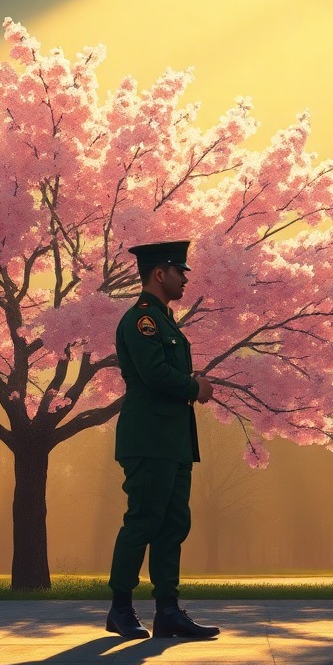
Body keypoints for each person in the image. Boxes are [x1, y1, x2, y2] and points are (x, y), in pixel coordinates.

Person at [105, 240, 219, 640]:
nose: (184, 279)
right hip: (149, 437)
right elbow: (153, 373)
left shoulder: (165, 320)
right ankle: (121, 609)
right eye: (178, 271)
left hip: (172, 440)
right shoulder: (143, 320)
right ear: (159, 273)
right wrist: (194, 386)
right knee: (143, 520)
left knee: (173, 524)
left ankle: (168, 611)